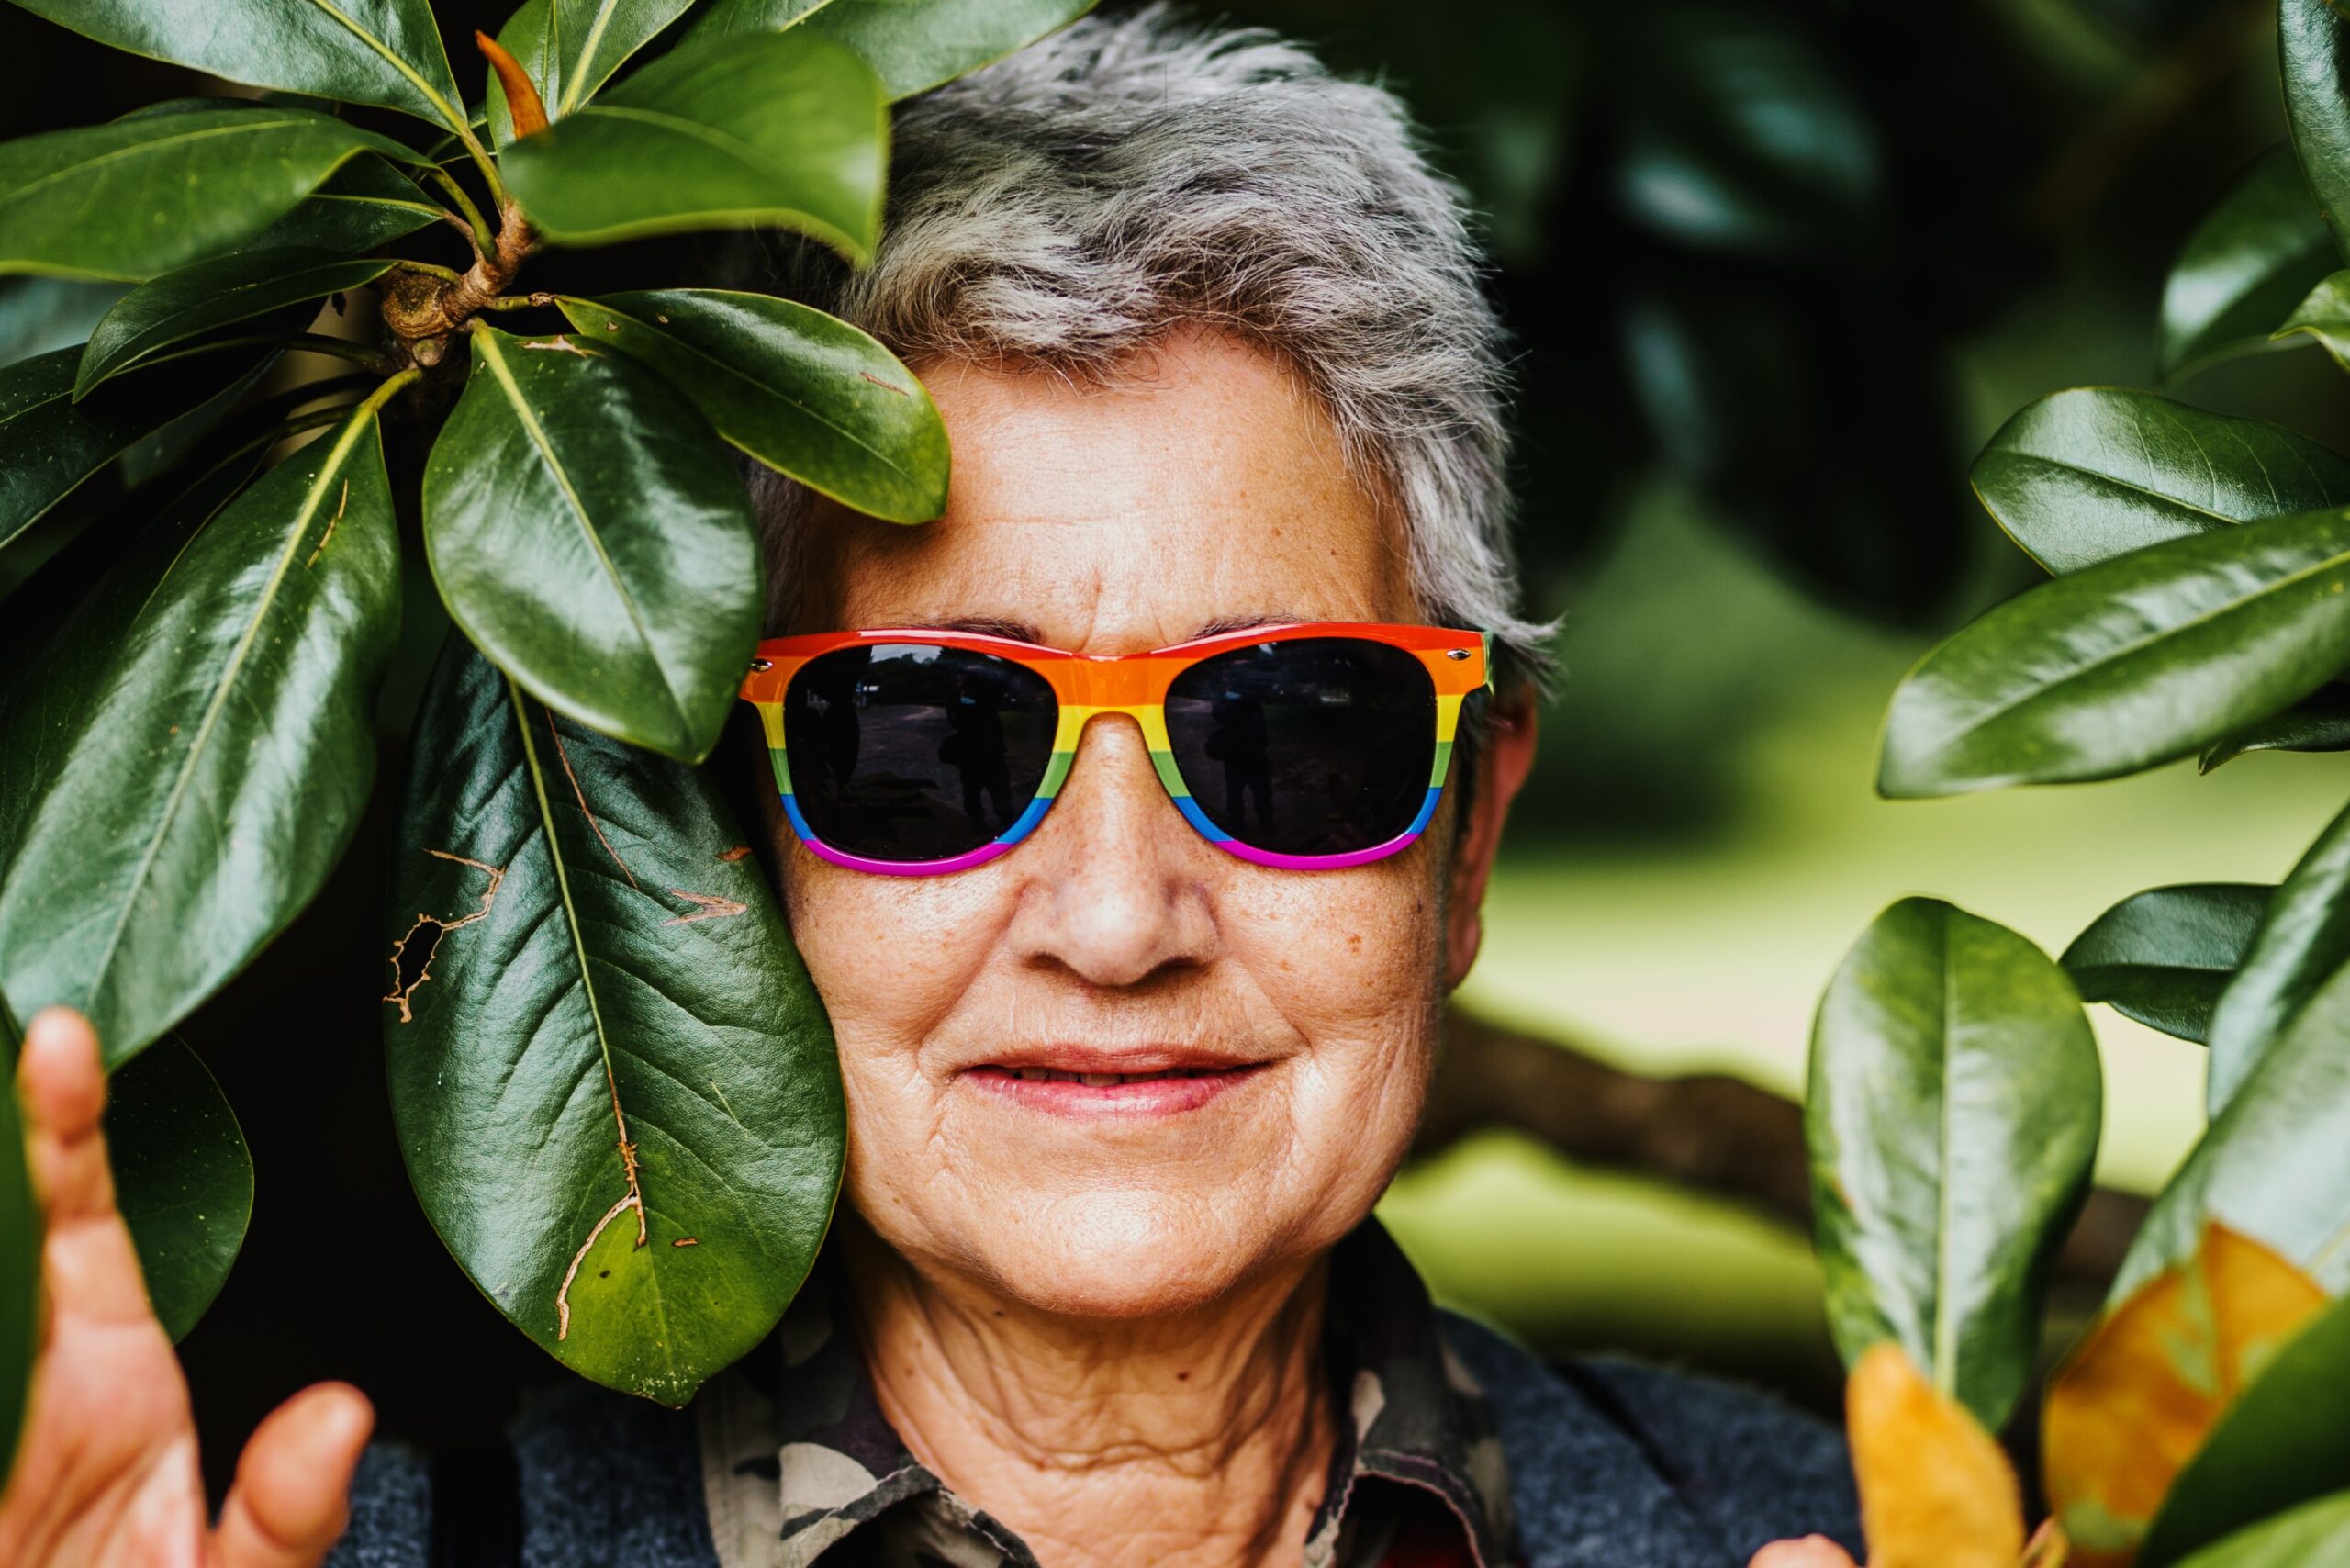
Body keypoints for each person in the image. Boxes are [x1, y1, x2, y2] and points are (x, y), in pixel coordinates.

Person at [0, 9, 1870, 1566]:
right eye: (924, 738)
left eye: (1289, 729)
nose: (1119, 916)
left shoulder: (1858, 1524)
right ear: (726, 839)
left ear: (1465, 838)